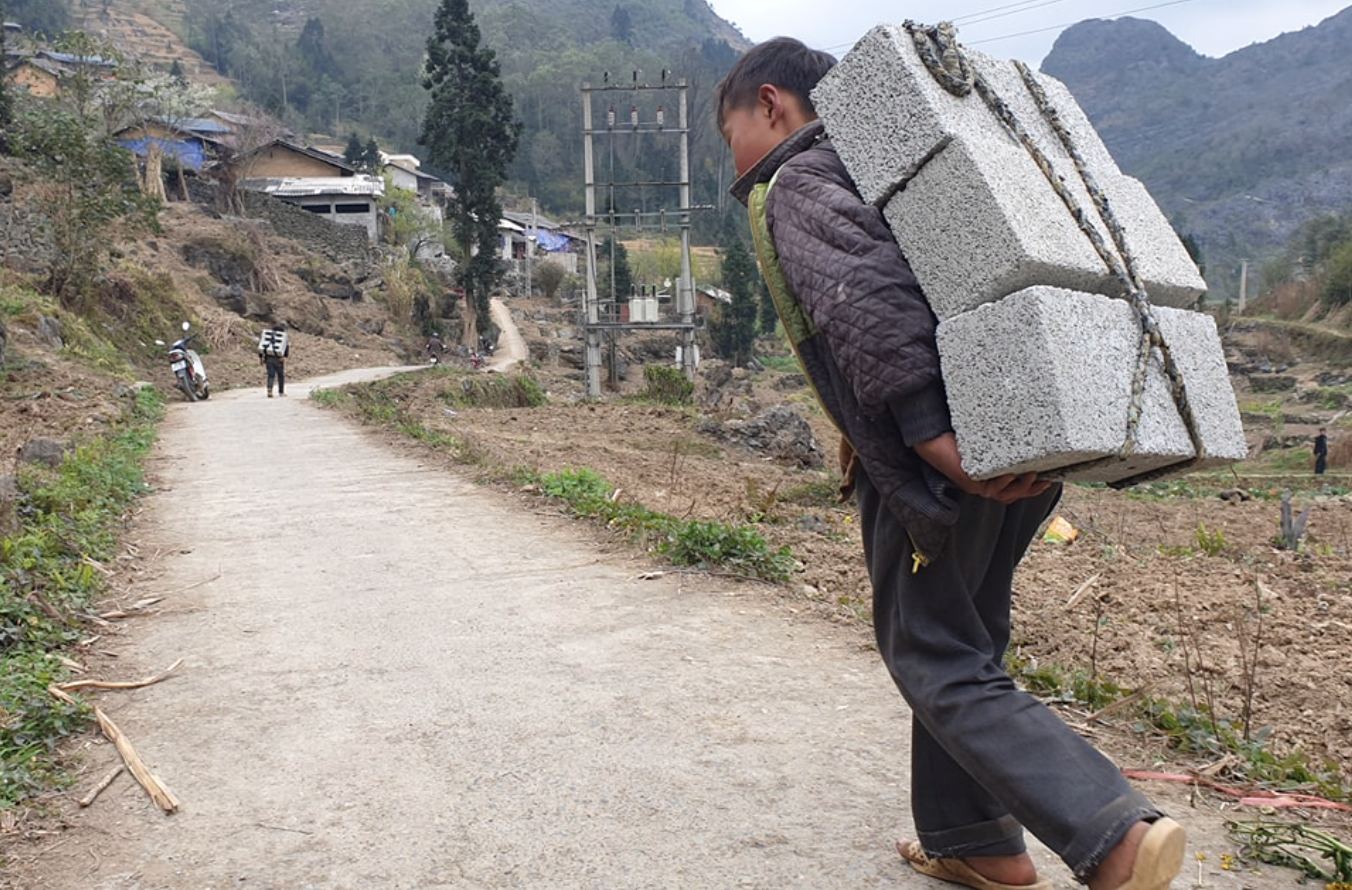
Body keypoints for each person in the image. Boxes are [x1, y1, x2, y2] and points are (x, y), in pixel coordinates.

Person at [716, 37, 1185, 890]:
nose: (735, 155)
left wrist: (937, 443)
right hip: (1017, 442)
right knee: (968, 641)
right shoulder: (885, 170)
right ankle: (974, 841)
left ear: (772, 105)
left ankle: (1111, 830)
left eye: (731, 131)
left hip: (944, 460)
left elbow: (871, 310)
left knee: (934, 656)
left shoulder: (803, 181)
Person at [258, 322, 289, 398]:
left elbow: (262, 347)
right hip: (279, 359)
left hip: (268, 359)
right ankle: (281, 392)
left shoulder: (268, 337)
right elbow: (286, 348)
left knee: (270, 375)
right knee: (280, 376)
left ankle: (269, 389)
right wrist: (284, 357)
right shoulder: (282, 338)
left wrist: (261, 358)